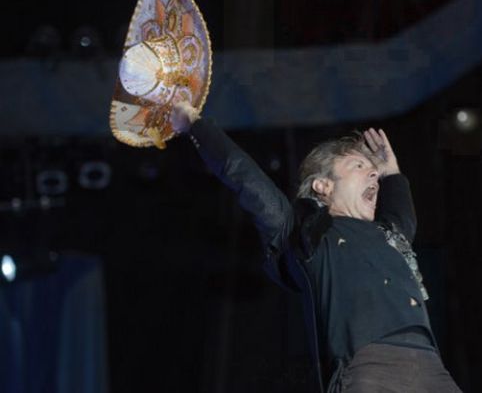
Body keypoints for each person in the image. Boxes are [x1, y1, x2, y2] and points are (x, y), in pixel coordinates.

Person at [170, 102, 461, 392]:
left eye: (374, 171)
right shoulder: (309, 235)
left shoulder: (390, 236)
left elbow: (402, 213)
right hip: (370, 371)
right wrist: (195, 124)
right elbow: (245, 177)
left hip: (433, 370)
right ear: (323, 186)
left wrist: (391, 172)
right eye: (359, 166)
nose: (373, 174)